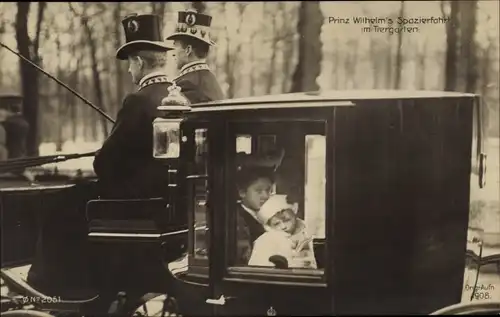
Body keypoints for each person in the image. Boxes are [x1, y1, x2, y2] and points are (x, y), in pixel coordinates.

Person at [93, 13, 176, 199]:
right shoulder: (178, 95)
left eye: (130, 63)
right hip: (173, 196)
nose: (130, 70)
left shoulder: (137, 101)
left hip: (139, 201)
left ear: (139, 62)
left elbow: (104, 163)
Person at [165, 8, 224, 104]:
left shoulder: (185, 84)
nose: (173, 52)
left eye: (175, 45)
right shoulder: (212, 80)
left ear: (188, 50)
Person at [248, 195, 317, 269]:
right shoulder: (264, 241)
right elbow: (257, 268)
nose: (283, 226)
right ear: (269, 225)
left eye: (287, 220)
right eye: (276, 224)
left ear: (294, 213)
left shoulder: (311, 231)